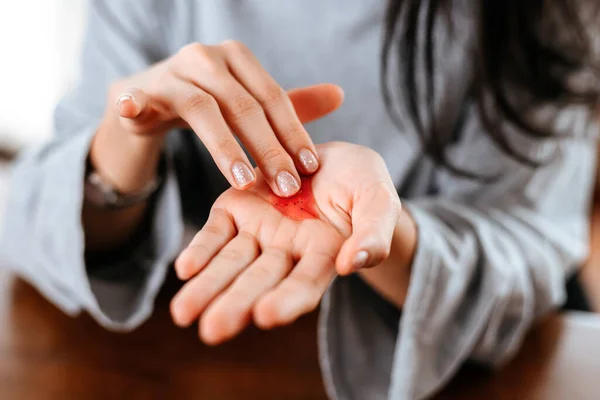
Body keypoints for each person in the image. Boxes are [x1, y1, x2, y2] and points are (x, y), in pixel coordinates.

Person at [1, 0, 598, 398]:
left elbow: (529, 241)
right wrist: (126, 135)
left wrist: (384, 231)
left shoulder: (546, 16)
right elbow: (34, 224)